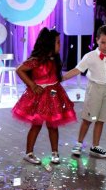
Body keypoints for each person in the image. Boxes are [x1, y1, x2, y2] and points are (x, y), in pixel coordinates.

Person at [12, 28, 77, 165]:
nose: (60, 45)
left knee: (53, 125)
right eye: (58, 42)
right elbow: (19, 70)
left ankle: (55, 152)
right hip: (40, 96)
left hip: (53, 94)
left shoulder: (54, 60)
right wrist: (32, 85)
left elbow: (55, 78)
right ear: (49, 44)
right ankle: (29, 153)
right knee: (36, 125)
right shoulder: (36, 60)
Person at [62, 24, 106, 159]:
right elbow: (77, 69)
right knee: (88, 119)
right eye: (103, 42)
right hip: (94, 89)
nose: (105, 46)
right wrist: (62, 78)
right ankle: (79, 143)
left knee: (101, 119)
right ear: (97, 40)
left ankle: (95, 146)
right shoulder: (90, 56)